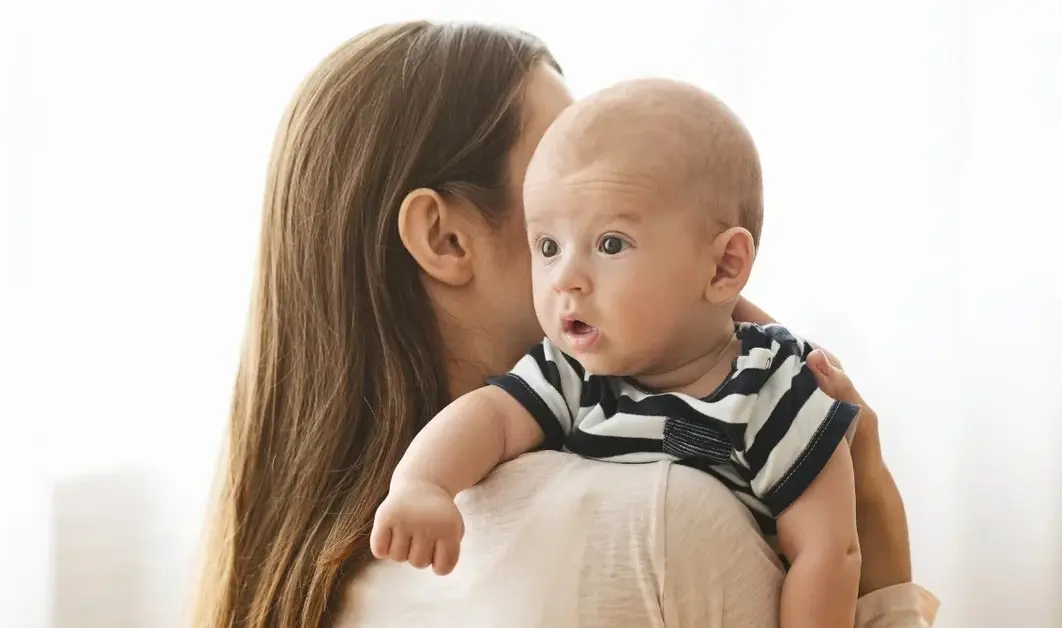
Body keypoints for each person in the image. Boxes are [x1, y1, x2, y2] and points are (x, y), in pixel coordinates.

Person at [191, 20, 938, 628]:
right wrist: (874, 513)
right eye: (552, 214)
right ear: (446, 240)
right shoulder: (662, 521)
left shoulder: (307, 561)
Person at [370, 77, 862, 626]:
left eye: (610, 244)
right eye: (548, 247)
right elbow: (488, 419)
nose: (566, 279)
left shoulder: (772, 384)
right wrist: (422, 484)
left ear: (724, 266)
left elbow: (827, 553)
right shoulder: (573, 372)